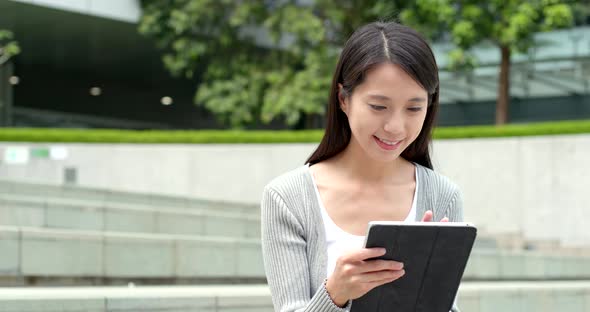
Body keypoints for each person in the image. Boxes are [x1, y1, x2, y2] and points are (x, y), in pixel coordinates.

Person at [261, 21, 463, 312]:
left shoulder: (443, 196)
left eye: (414, 108)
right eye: (379, 106)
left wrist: (432, 287)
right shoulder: (288, 198)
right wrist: (335, 293)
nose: (395, 127)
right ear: (343, 99)